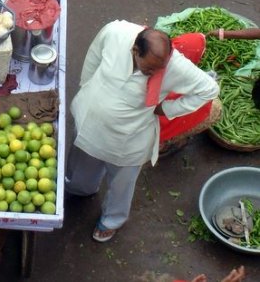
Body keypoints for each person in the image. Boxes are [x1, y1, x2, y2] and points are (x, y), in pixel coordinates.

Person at [66, 20, 219, 243]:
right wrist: (88, 87)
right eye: (149, 69)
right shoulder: (117, 32)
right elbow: (94, 54)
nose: (155, 74)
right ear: (135, 50)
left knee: (122, 182)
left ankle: (111, 221)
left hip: (129, 137)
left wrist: (167, 108)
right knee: (83, 163)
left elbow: (209, 89)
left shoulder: (174, 65)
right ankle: (81, 189)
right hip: (92, 121)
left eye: (160, 69)